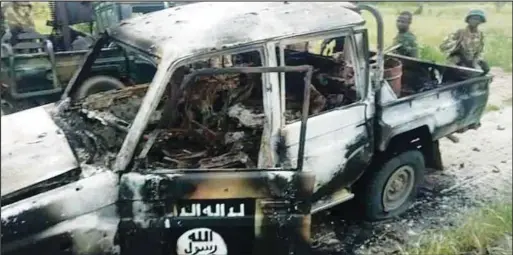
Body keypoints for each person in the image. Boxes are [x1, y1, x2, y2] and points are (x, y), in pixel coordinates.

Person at [439, 9, 490, 75]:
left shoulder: (481, 35)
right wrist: (456, 44)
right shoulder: (460, 32)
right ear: (468, 20)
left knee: (485, 69)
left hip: (472, 62)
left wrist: (476, 62)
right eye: (473, 18)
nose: (475, 21)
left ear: (481, 21)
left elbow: (480, 52)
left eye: (478, 19)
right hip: (457, 61)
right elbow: (443, 47)